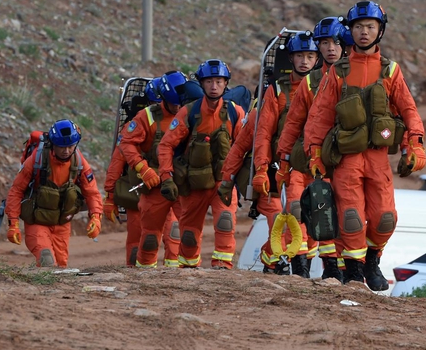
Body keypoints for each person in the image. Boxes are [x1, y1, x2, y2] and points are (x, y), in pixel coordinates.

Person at [304, 1, 426, 290]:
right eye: (358, 27)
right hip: (346, 159)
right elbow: (320, 115)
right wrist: (315, 152)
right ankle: (356, 273)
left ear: (379, 30)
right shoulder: (338, 71)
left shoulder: (391, 71)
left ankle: (373, 259)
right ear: (351, 30)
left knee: (385, 218)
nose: (364, 32)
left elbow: (409, 110)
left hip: (378, 157)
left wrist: (416, 144)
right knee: (351, 218)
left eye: (370, 27)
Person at [274, 18, 350, 281]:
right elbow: (290, 126)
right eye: (325, 43)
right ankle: (301, 270)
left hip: (338, 160)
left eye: (335, 43)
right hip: (304, 159)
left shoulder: (356, 78)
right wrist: (281, 163)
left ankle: (343, 270)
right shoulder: (306, 86)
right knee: (297, 211)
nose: (330, 49)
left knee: (343, 215)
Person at [157, 60, 246, 269]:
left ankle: (222, 266)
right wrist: (166, 177)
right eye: (209, 82)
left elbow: (245, 147)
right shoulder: (189, 112)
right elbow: (166, 145)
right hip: (193, 183)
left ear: (226, 84)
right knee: (188, 233)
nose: (214, 86)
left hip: (223, 182)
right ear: (201, 84)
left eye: (218, 81)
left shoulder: (236, 112)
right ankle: (189, 268)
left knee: (225, 221)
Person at [252, 32, 321, 276]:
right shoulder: (278, 90)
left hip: (316, 165)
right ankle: (298, 272)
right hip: (285, 167)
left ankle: (273, 263)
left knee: (314, 227)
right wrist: (261, 169)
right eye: (300, 55)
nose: (305, 61)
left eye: (310, 56)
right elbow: (263, 133)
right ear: (291, 58)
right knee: (295, 217)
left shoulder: (324, 86)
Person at [5, 119, 103, 267]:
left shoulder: (79, 162)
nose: (66, 151)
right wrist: (13, 223)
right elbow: (16, 190)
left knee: (61, 265)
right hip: (37, 221)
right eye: (61, 147)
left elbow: (92, 193)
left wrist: (96, 217)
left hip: (61, 224)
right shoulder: (36, 160)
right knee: (47, 259)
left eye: (70, 146)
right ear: (52, 144)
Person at [116, 73, 185, 268]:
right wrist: (143, 169)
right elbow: (123, 149)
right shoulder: (146, 117)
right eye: (173, 105)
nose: (177, 109)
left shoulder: (193, 113)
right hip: (152, 185)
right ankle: (141, 275)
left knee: (181, 233)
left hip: (179, 184)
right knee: (147, 238)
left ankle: (179, 273)